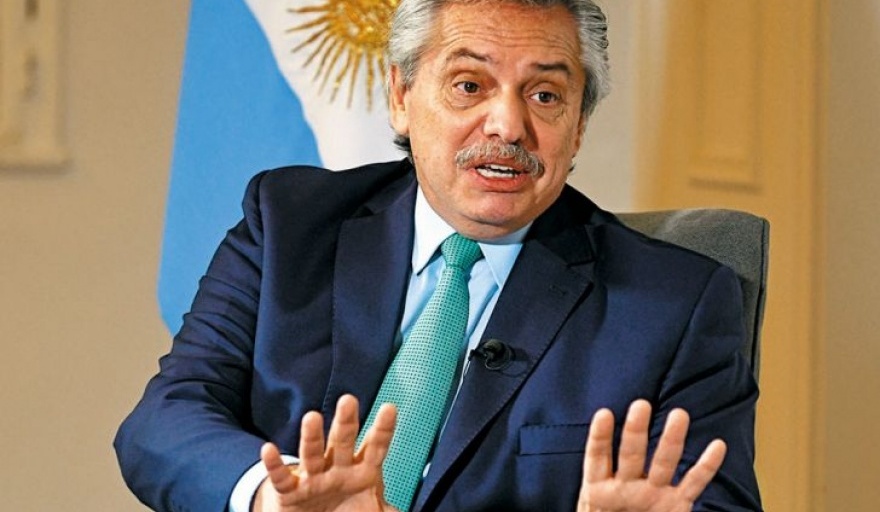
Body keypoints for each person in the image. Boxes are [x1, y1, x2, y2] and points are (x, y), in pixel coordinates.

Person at [115, 0, 763, 510]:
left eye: (544, 95)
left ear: (579, 126)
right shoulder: (290, 224)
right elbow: (165, 422)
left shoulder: (673, 305)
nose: (508, 126)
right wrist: (274, 497)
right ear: (400, 97)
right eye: (469, 85)